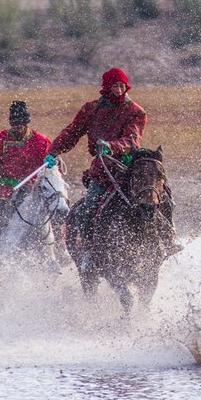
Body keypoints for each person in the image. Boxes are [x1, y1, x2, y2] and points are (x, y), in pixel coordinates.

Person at [46, 67, 179, 261]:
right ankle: (88, 251)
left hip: (129, 169)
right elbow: (72, 133)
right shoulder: (91, 109)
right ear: (105, 88)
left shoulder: (136, 111)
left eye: (121, 86)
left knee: (162, 198)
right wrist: (53, 151)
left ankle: (169, 239)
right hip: (102, 171)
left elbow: (132, 139)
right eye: (114, 86)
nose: (118, 90)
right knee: (89, 206)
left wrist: (111, 146)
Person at [0, 100, 52, 264]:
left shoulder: (42, 142)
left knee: (54, 214)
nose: (19, 128)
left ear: (27, 122)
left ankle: (60, 249)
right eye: (15, 124)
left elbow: (50, 170)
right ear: (11, 124)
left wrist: (53, 161)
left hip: (31, 188)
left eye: (22, 124)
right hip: (4, 190)